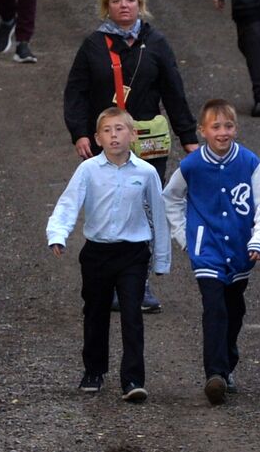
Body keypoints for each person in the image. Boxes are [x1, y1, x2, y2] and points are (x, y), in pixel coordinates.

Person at [63, 0, 200, 313]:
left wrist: (189, 139)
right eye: (116, 0)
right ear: (106, 6)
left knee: (144, 209)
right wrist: (80, 132)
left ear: (140, 4)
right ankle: (104, 282)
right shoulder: (93, 45)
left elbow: (174, 91)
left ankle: (139, 284)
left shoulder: (156, 43)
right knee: (107, 207)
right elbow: (76, 93)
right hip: (105, 142)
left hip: (148, 145)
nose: (124, 5)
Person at [47, 107, 170, 403]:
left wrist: (162, 259)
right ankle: (94, 370)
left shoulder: (146, 172)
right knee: (95, 312)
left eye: (119, 129)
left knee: (132, 314)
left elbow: (159, 214)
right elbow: (69, 204)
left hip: (133, 253)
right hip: (97, 253)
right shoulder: (88, 171)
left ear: (133, 135)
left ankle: (132, 379)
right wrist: (58, 234)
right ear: (98, 139)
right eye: (107, 131)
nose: (114, 136)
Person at [163, 99, 260, 405]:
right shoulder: (192, 165)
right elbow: (170, 198)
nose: (222, 133)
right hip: (207, 251)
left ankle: (227, 364)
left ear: (236, 129)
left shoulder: (249, 162)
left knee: (234, 309)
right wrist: (184, 236)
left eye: (228, 126)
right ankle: (214, 375)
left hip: (241, 251)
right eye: (216, 127)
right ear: (202, 131)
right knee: (215, 308)